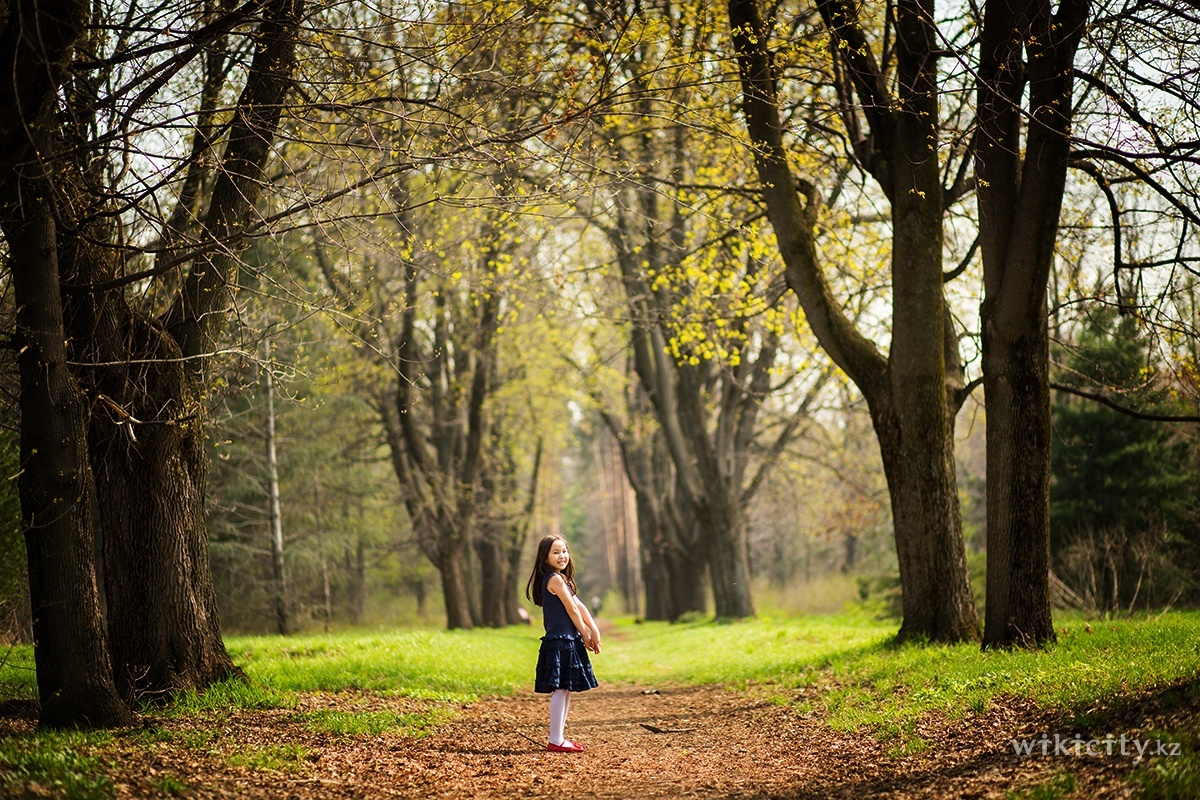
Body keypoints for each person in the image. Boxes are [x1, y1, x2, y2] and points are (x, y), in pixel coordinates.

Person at [525, 535, 600, 753]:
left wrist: (594, 629)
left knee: (565, 688)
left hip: (568, 639)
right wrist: (585, 633)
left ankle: (559, 737)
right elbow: (571, 609)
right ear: (545, 557)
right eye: (555, 552)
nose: (562, 556)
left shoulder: (562, 579)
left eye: (564, 551)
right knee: (560, 689)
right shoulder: (553, 580)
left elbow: (581, 606)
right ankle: (555, 739)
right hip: (560, 640)